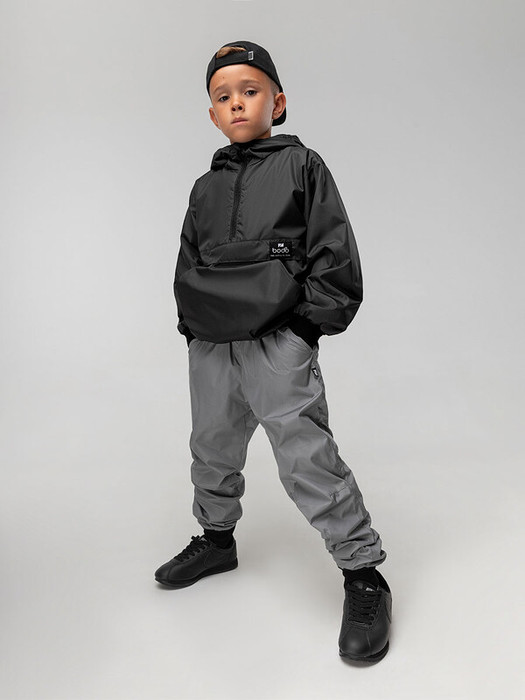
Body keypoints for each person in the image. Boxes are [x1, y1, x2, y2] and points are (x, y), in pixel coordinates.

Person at [155, 40, 392, 663]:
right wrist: (192, 329)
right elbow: (187, 261)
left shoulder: (302, 166)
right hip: (213, 345)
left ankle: (364, 573)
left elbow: (334, 250)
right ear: (212, 114)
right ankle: (217, 539)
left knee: (306, 455)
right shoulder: (204, 187)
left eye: (250, 91)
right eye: (223, 96)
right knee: (211, 445)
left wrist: (306, 331)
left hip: (278, 340)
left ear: (277, 102)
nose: (237, 103)